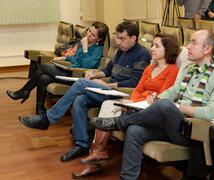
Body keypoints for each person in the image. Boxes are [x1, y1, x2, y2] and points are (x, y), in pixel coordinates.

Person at [91, 30, 214, 179]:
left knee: (165, 105)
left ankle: (118, 122)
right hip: (172, 124)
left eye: (193, 43)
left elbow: (213, 113)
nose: (188, 47)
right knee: (134, 130)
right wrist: (156, 98)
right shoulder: (190, 69)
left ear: (207, 49)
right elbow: (173, 91)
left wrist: (177, 107)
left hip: (193, 131)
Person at [17, 21, 151, 163]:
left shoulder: (142, 53)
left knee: (80, 83)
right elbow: (107, 70)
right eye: (117, 38)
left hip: (122, 93)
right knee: (79, 100)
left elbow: (135, 82)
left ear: (133, 38)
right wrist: (95, 75)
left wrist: (107, 84)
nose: (118, 42)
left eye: (122, 39)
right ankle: (82, 144)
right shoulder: (120, 51)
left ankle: (46, 119)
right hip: (109, 90)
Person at [72, 33, 193, 179]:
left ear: (167, 50)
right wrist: (131, 103)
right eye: (152, 45)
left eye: (156, 46)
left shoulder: (173, 70)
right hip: (137, 104)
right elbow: (138, 89)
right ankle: (98, 152)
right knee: (108, 104)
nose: (152, 48)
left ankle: (96, 156)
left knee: (115, 113)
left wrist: (142, 103)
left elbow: (164, 95)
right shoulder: (149, 69)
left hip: (151, 109)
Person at [6, 21, 109, 114]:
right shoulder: (83, 42)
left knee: (44, 67)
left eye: (93, 35)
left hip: (79, 78)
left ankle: (24, 92)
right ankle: (40, 110)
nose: (88, 35)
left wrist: (85, 49)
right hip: (71, 71)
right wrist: (63, 58)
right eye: (89, 31)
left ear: (99, 39)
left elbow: (86, 65)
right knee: (43, 78)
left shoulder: (98, 50)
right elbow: (75, 58)